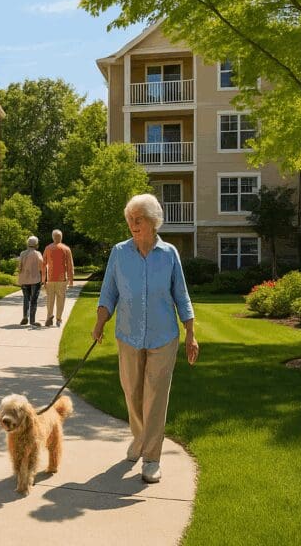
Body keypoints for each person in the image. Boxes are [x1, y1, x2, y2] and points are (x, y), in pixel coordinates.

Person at [92, 194, 199, 484]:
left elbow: (181, 294)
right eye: (130, 220)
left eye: (138, 220)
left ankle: (151, 457)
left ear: (153, 222)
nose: (132, 225)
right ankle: (139, 438)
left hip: (163, 336)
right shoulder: (119, 252)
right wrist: (100, 322)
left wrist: (190, 332)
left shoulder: (169, 254)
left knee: (155, 396)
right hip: (128, 334)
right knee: (132, 392)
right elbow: (108, 291)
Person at [42, 229, 75, 327]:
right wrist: (71, 280)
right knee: (61, 300)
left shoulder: (48, 248)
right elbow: (70, 265)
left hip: (50, 279)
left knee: (50, 300)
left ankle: (49, 316)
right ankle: (58, 319)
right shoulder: (66, 249)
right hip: (62, 279)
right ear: (61, 237)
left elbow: (43, 265)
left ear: (53, 237)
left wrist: (43, 279)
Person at [16, 236, 44, 327]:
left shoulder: (22, 253)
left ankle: (25, 316)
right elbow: (42, 266)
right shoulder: (37, 254)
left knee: (26, 298)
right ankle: (32, 320)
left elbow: (19, 266)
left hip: (24, 279)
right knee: (33, 300)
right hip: (35, 279)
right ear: (36, 244)